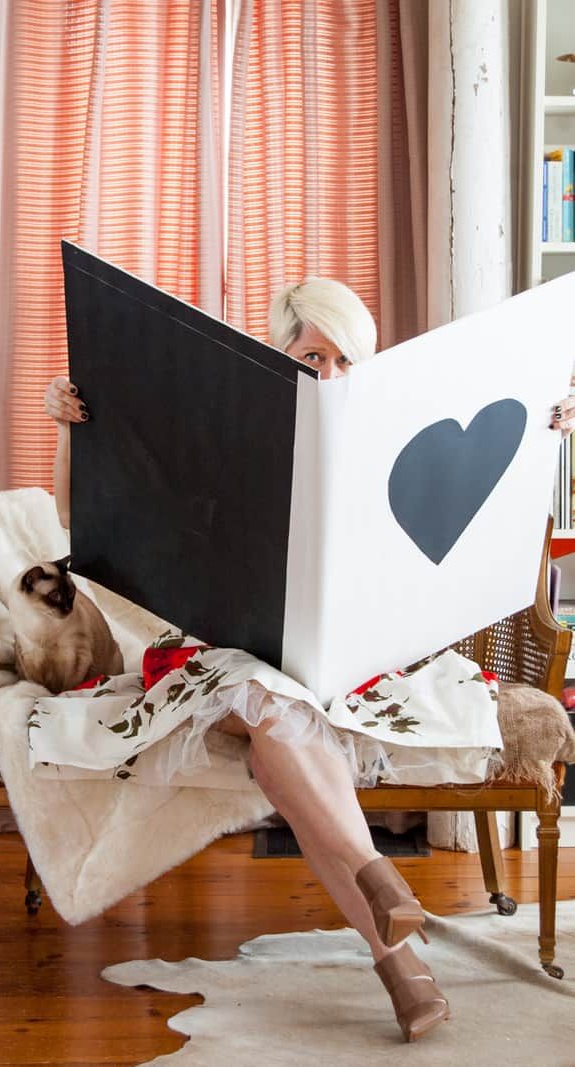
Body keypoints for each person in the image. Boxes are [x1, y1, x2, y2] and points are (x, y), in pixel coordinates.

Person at [42, 277, 575, 1043]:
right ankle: (387, 914)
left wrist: (545, 436)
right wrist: (70, 427)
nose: (325, 374)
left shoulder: (388, 436)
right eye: (309, 355)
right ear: (277, 356)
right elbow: (75, 513)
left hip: (332, 667)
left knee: (284, 732)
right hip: (220, 657)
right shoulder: (226, 427)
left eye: (341, 359)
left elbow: (478, 517)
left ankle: (398, 962)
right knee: (262, 692)